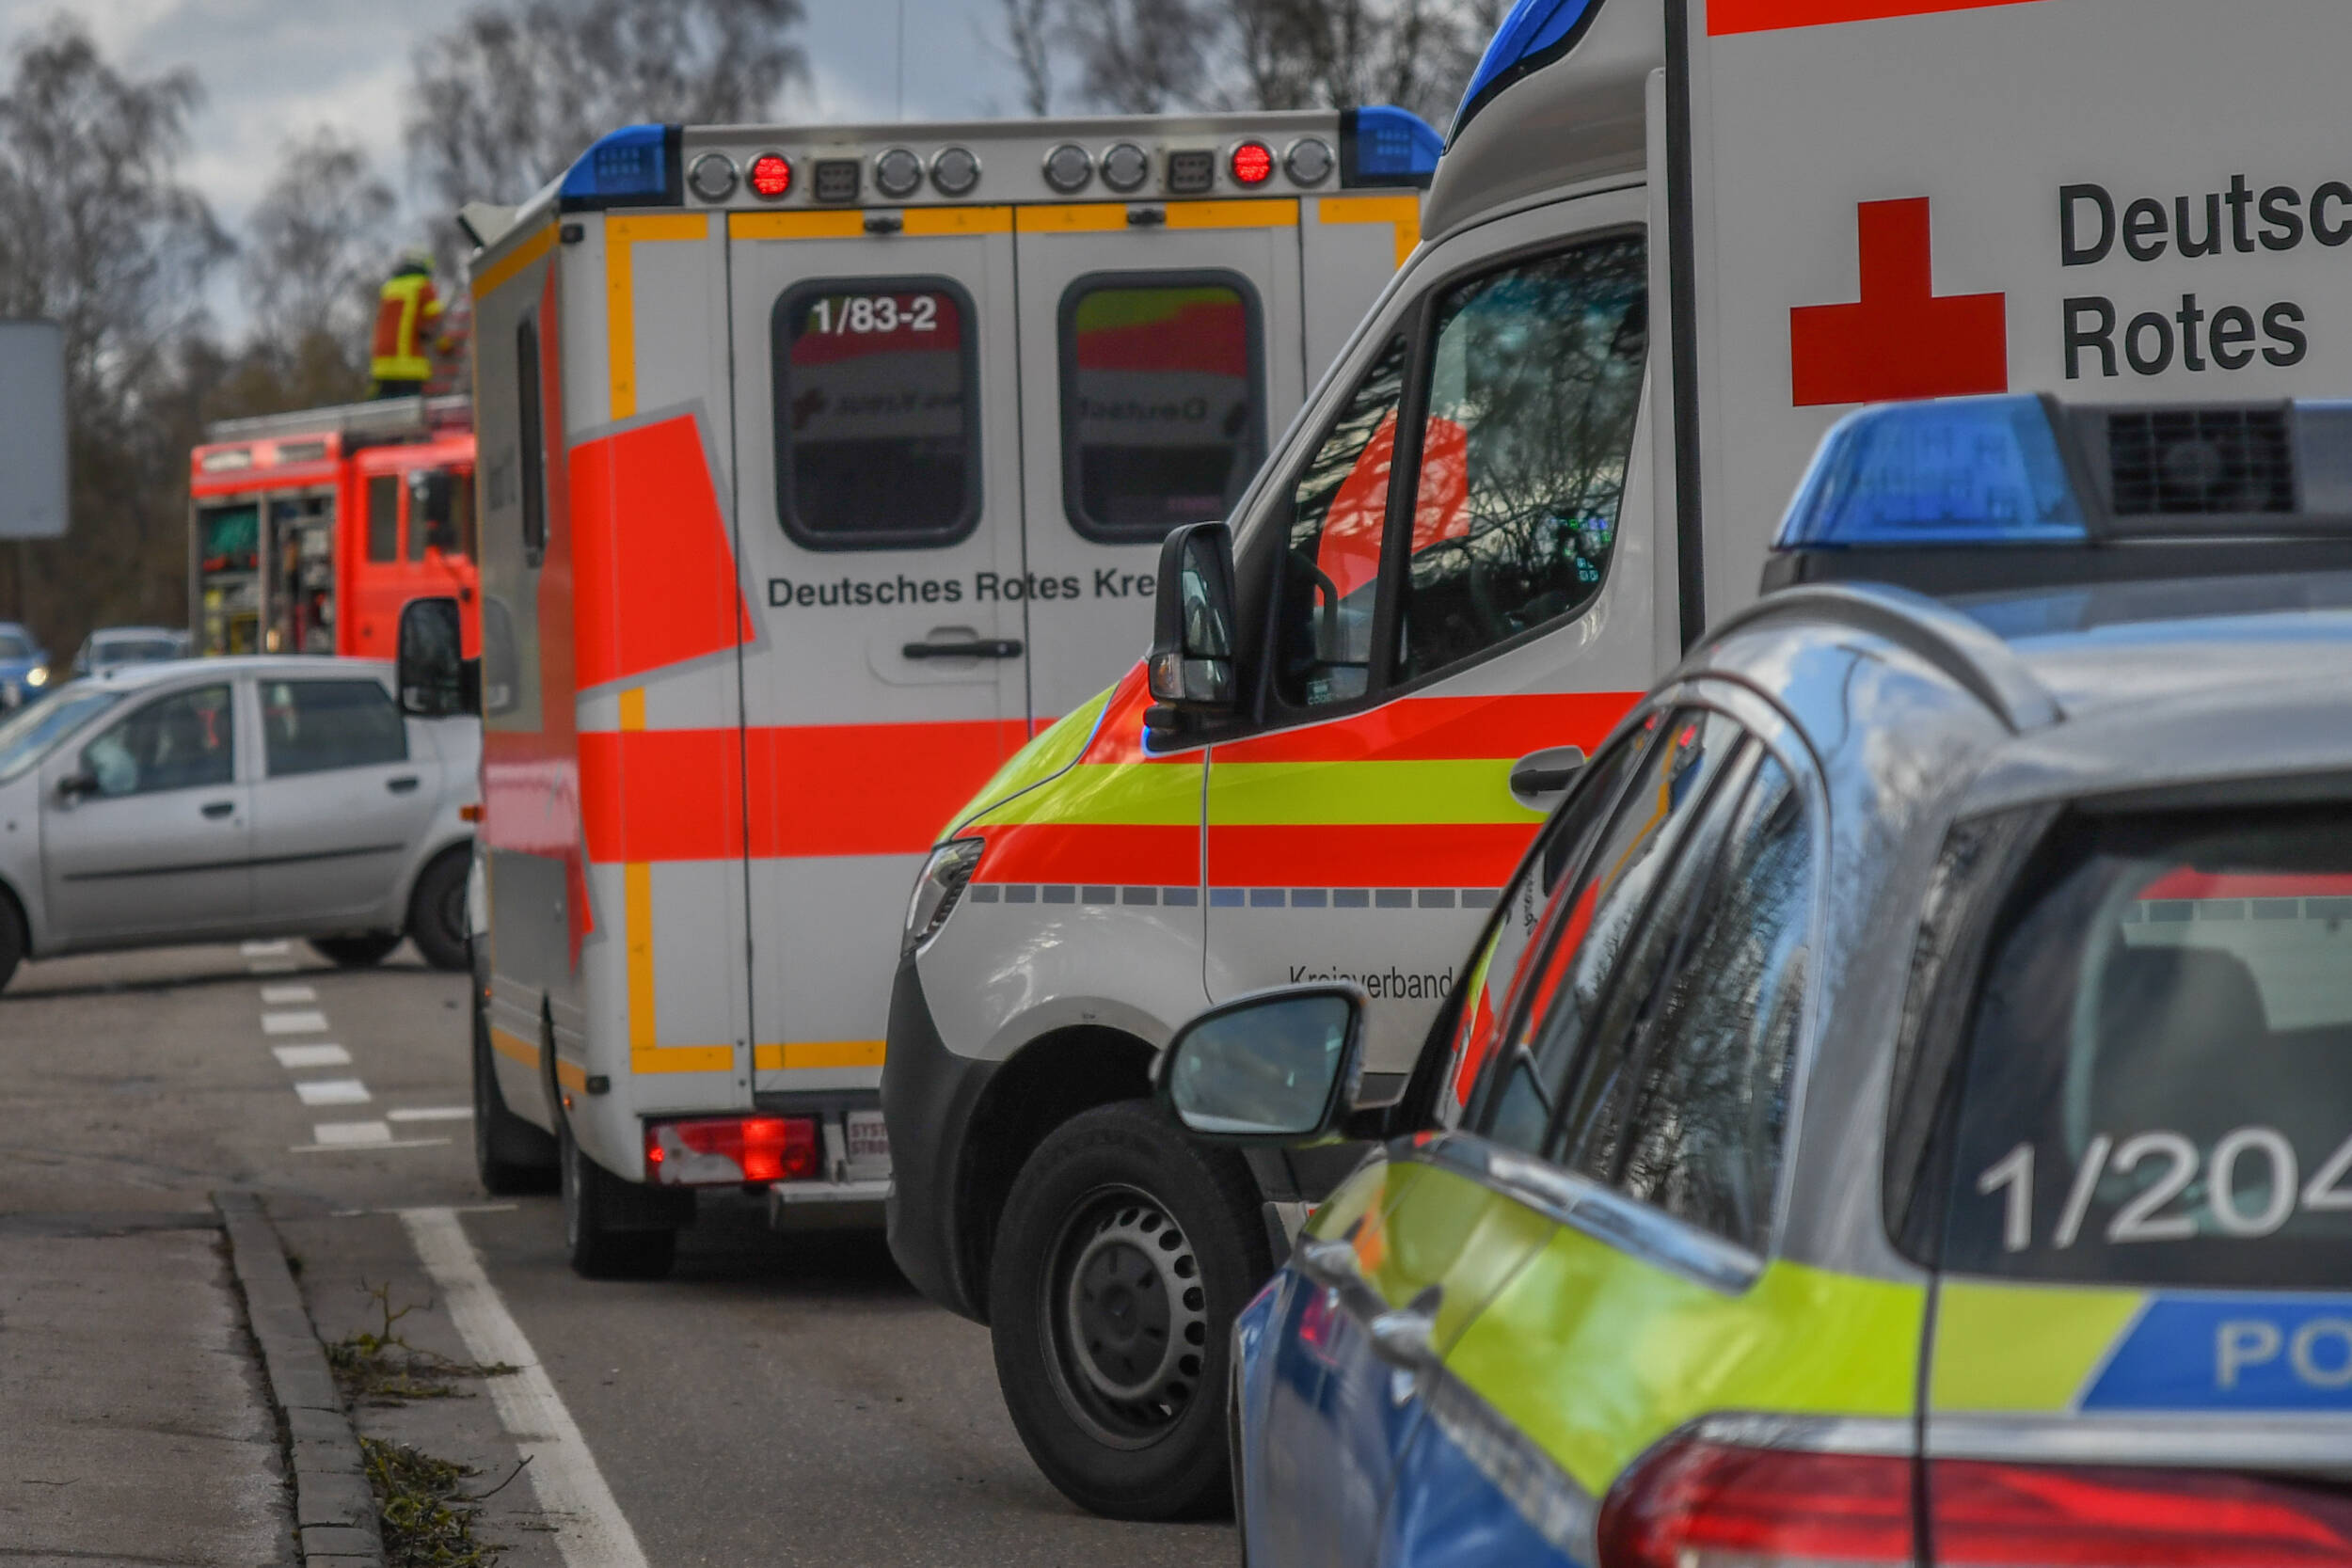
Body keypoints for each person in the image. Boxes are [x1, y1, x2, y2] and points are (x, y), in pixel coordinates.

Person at [370, 249, 447, 399]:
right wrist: (445, 346)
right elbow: (434, 322)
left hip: (382, 365)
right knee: (411, 415)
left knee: (388, 416)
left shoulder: (389, 287)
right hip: (409, 364)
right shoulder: (423, 286)